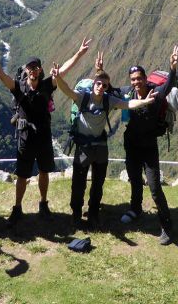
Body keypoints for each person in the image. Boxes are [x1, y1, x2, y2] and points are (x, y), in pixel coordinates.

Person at [0, 37, 91, 227]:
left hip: (43, 136)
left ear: (40, 70)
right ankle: (17, 208)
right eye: (30, 68)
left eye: (36, 68)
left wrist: (79, 52)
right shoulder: (19, 87)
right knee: (22, 175)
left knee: (44, 172)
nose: (33, 71)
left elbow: (65, 69)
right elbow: (2, 76)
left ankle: (43, 203)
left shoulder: (47, 85)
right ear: (26, 70)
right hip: (26, 137)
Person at [53, 60, 155, 227]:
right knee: (78, 183)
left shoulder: (109, 100)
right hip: (84, 147)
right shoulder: (83, 98)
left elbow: (128, 104)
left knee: (98, 183)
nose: (101, 87)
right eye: (99, 83)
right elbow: (67, 90)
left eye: (105, 85)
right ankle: (76, 213)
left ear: (107, 87)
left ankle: (93, 213)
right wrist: (57, 78)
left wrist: (144, 101)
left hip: (100, 147)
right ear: (94, 83)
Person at [120, 44, 178, 245]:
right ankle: (135, 209)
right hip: (132, 145)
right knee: (135, 179)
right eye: (133, 79)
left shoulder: (156, 94)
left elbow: (170, 84)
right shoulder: (128, 93)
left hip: (148, 148)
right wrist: (99, 71)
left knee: (155, 187)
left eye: (139, 78)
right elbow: (108, 90)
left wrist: (172, 67)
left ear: (145, 79)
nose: (136, 82)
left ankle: (167, 225)